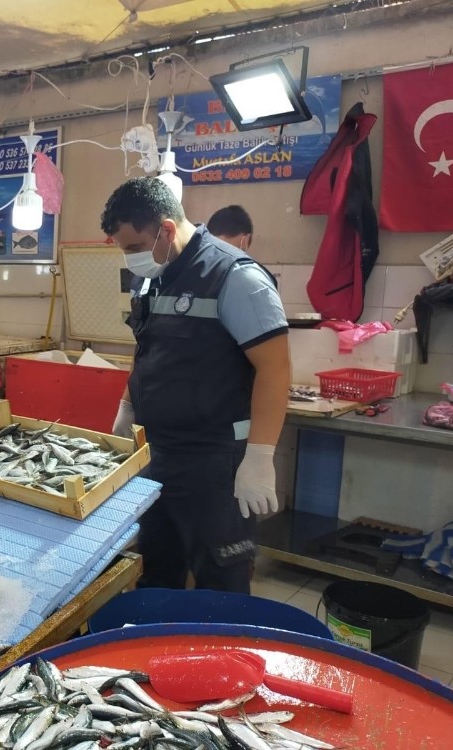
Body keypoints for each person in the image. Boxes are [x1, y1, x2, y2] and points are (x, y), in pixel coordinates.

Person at [103, 178, 289, 594]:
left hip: (215, 463)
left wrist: (259, 458)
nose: (130, 258)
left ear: (167, 230)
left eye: (134, 247)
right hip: (159, 454)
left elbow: (276, 370)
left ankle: (222, 657)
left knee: (219, 577)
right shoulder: (154, 277)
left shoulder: (236, 278)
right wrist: (127, 408)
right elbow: (146, 349)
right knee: (158, 568)